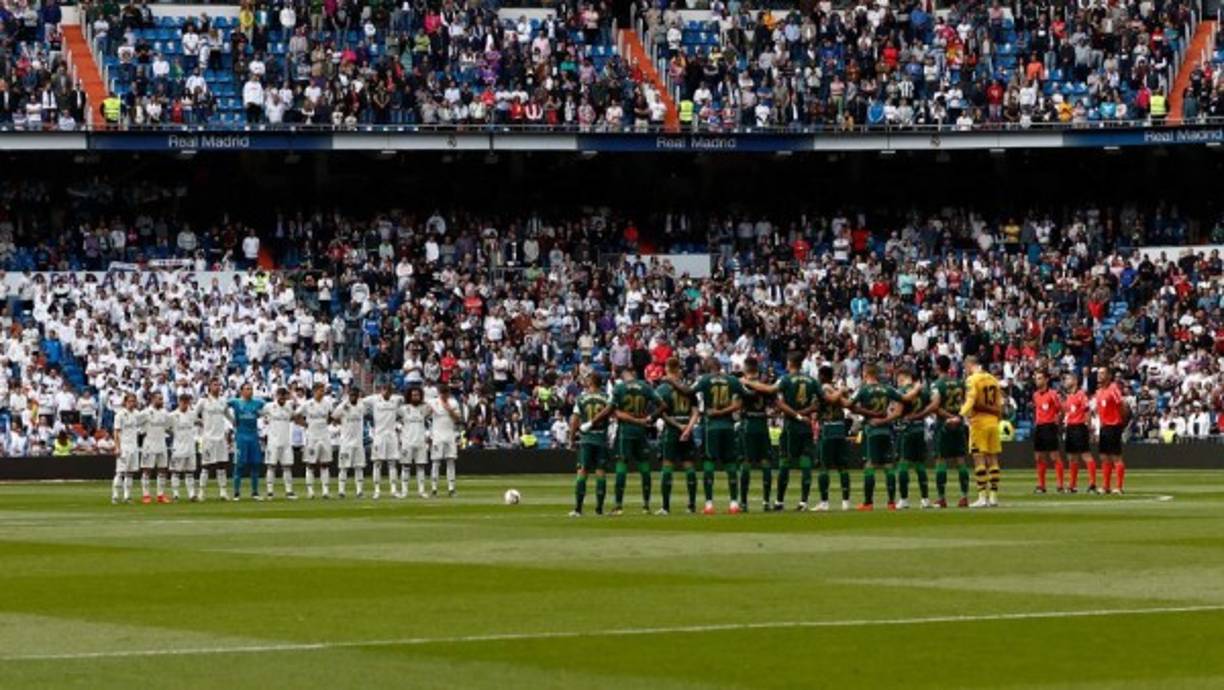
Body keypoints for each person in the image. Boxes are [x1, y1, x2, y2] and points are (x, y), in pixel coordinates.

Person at [849, 363, 904, 511]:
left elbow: (850, 405)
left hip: (871, 431)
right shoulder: (888, 389)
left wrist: (867, 413)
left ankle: (868, 503)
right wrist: (887, 418)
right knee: (888, 466)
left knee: (870, 466)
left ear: (866, 373)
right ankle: (891, 502)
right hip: (886, 431)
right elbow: (903, 401)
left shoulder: (863, 389)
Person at [693, 357, 744, 514]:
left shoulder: (704, 380)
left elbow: (688, 391)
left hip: (711, 426)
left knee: (709, 462)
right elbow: (742, 400)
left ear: (707, 367)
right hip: (729, 426)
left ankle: (709, 505)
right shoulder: (732, 380)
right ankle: (734, 503)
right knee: (731, 463)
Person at [609, 365, 660, 515]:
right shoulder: (645, 387)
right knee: (644, 467)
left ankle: (618, 506)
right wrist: (650, 417)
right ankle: (646, 506)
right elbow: (663, 405)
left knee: (621, 466)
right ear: (634, 373)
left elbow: (616, 412)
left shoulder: (619, 388)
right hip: (641, 431)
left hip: (625, 431)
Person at [654, 358, 698, 515]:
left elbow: (662, 413)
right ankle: (691, 506)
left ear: (666, 368)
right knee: (689, 466)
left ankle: (665, 507)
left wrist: (679, 426)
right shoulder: (688, 388)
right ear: (679, 369)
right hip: (687, 428)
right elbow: (695, 412)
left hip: (671, 431)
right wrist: (688, 428)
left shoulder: (662, 389)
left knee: (667, 466)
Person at [568, 372, 614, 517]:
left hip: (586, 439)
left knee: (582, 472)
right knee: (600, 472)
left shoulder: (581, 398)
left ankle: (578, 509)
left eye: (588, 380)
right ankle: (599, 509)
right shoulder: (607, 397)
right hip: (601, 438)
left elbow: (575, 420)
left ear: (591, 382)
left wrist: (571, 439)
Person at [961, 356, 1003, 508]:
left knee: (979, 459)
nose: (965, 370)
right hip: (993, 423)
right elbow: (999, 404)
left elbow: (971, 400)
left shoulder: (972, 380)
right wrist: (997, 419)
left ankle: (982, 497)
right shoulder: (993, 379)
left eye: (965, 367)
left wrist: (960, 414)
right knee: (993, 459)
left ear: (969, 365)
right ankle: (993, 497)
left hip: (979, 423)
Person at [929, 355, 971, 508]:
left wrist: (949, 417)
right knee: (960, 460)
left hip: (943, 425)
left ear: (939, 367)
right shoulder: (960, 383)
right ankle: (964, 497)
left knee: (941, 460)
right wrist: (958, 417)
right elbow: (966, 402)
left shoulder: (937, 384)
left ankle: (941, 498)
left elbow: (935, 407)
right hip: (959, 424)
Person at [736, 357, 773, 512]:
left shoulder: (742, 384)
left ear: (745, 368)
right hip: (762, 424)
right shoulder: (764, 384)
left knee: (746, 462)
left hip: (748, 424)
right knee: (765, 462)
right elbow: (774, 404)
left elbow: (737, 404)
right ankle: (766, 502)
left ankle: (744, 503)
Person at [814, 365, 853, 511]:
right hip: (840, 428)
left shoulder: (824, 388)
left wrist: (840, 391)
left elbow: (831, 400)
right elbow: (847, 403)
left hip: (828, 428)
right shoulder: (836, 389)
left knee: (824, 466)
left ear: (823, 376)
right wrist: (842, 390)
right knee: (842, 466)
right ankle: (845, 502)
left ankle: (824, 502)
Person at [895, 368, 932, 509]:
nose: (898, 381)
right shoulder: (923, 392)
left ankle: (904, 500)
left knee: (903, 463)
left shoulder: (902, 391)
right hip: (920, 429)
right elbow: (932, 406)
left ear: (904, 377)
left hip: (907, 430)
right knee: (920, 465)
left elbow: (898, 412)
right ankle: (925, 499)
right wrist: (920, 416)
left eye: (899, 378)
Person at [228, 383, 267, 501]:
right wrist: (231, 419)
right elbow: (221, 406)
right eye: (247, 389)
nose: (250, 391)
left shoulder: (258, 402)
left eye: (251, 389)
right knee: (239, 465)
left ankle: (255, 492)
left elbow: (269, 408)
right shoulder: (235, 402)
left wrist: (263, 416)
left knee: (255, 464)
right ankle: (236, 493)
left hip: (254, 436)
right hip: (241, 437)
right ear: (242, 391)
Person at [365, 382, 403, 500]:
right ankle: (377, 490)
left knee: (392, 463)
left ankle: (393, 490)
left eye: (388, 390)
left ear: (391, 392)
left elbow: (405, 399)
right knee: (377, 463)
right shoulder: (374, 399)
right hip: (379, 436)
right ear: (381, 390)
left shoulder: (396, 399)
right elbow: (361, 401)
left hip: (392, 435)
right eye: (384, 389)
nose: (386, 392)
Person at [196, 380, 232, 501]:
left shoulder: (223, 401)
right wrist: (201, 422)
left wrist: (237, 422)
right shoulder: (203, 401)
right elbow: (193, 415)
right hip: (208, 438)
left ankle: (223, 492)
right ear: (209, 387)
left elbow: (229, 417)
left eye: (219, 385)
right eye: (215, 385)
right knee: (206, 466)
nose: (218, 387)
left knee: (222, 465)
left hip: (221, 438)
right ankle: (201, 492)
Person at [1094, 367, 1128, 495]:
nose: (1099, 375)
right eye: (1099, 373)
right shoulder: (1098, 392)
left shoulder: (1113, 389)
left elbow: (1122, 406)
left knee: (1116, 457)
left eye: (1102, 373)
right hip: (1104, 427)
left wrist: (1120, 422)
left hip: (1114, 426)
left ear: (1109, 376)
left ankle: (1119, 487)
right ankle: (1106, 486)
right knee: (1104, 457)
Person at [298, 383, 334, 499]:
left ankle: (325, 490)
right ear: (314, 391)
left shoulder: (327, 403)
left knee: (325, 463)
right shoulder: (307, 404)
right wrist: (305, 425)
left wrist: (326, 424)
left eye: (323, 390)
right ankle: (310, 491)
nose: (322, 393)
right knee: (310, 464)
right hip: (312, 437)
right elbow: (296, 415)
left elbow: (331, 416)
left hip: (324, 436)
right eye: (320, 390)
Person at [428, 383, 463, 497]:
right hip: (437, 436)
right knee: (436, 462)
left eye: (445, 394)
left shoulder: (453, 402)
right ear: (439, 393)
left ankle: (451, 489)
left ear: (448, 393)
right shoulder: (433, 402)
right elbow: (425, 414)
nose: (443, 396)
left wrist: (449, 409)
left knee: (451, 461)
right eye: (441, 394)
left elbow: (457, 419)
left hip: (449, 435)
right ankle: (434, 489)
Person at [262, 387, 297, 500]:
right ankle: (270, 491)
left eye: (284, 395)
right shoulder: (269, 406)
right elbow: (260, 414)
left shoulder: (289, 407)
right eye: (280, 395)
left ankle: (289, 491)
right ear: (277, 395)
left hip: (286, 441)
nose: (282, 397)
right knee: (271, 466)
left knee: (287, 466)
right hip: (273, 442)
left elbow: (294, 416)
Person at [1032, 371, 1063, 494]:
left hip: (1050, 426)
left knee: (1054, 456)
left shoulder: (1053, 394)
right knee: (1039, 457)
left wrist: (1057, 421)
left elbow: (1060, 409)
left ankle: (1060, 485)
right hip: (1039, 427)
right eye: (1036, 378)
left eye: (1040, 378)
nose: (1037, 381)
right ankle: (1041, 485)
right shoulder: (1035, 395)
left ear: (1046, 380)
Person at [334, 387, 367, 498]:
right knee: (343, 467)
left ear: (358, 396)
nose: (353, 397)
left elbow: (367, 411)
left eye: (355, 395)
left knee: (359, 467)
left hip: (358, 442)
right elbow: (334, 416)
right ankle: (341, 491)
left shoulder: (362, 406)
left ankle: (359, 491)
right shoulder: (343, 406)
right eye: (351, 395)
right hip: (346, 442)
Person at [1062, 373, 1092, 494]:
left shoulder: (1081, 395)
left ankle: (1092, 483)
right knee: (1071, 457)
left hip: (1080, 427)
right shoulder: (1069, 396)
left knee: (1085, 455)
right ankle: (1072, 485)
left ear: (1074, 381)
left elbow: (1087, 411)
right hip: (1070, 427)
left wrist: (1088, 426)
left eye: (1068, 379)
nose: (1065, 381)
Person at [399, 386, 430, 498]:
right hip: (407, 442)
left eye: (417, 395)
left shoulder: (424, 408)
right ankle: (404, 491)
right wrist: (399, 430)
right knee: (405, 466)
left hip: (420, 441)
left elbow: (432, 410)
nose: (415, 397)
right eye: (413, 395)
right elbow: (394, 419)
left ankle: (421, 491)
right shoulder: (403, 409)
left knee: (421, 466)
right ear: (409, 396)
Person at [111, 393, 142, 504]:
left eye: (134, 401)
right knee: (120, 472)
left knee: (130, 473)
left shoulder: (137, 414)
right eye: (130, 401)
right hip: (124, 446)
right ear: (125, 402)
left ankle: (127, 496)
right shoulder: (119, 415)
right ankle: (115, 496)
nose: (132, 403)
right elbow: (116, 432)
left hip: (134, 446)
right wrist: (117, 447)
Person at [141, 392, 171, 504]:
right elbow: (137, 424)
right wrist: (143, 431)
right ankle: (146, 495)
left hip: (162, 443)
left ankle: (160, 495)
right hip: (149, 444)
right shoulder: (145, 412)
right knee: (147, 470)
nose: (161, 401)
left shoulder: (165, 413)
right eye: (159, 399)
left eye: (162, 399)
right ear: (153, 399)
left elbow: (168, 426)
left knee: (162, 469)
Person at [169, 393, 199, 501]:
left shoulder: (192, 414)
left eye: (187, 402)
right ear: (179, 402)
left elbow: (198, 422)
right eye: (183, 401)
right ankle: (175, 494)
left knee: (190, 472)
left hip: (190, 447)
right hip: (178, 447)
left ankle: (191, 494)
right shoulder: (172, 415)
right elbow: (166, 428)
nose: (185, 404)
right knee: (176, 471)